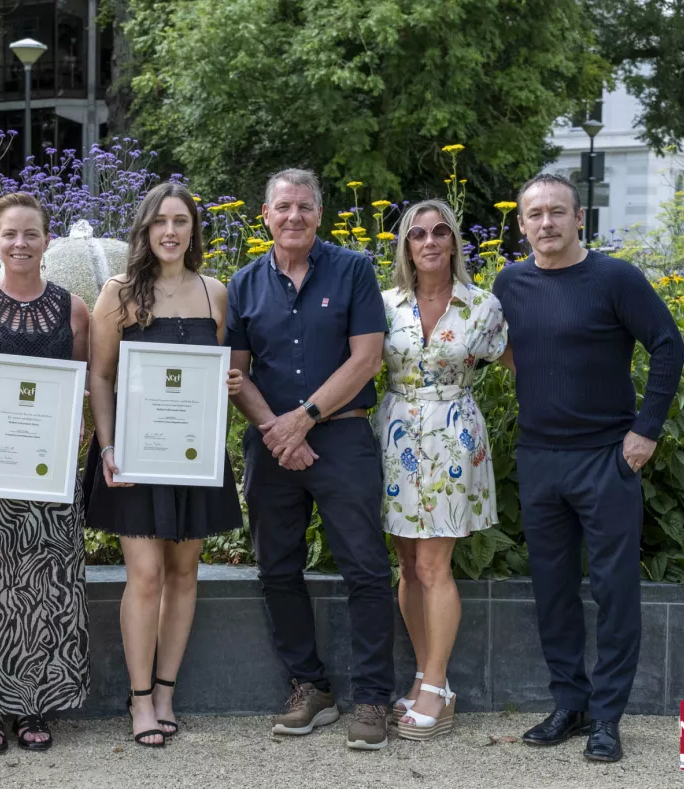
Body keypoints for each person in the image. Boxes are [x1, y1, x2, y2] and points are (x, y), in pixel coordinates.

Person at [493, 173, 684, 763]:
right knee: (552, 591)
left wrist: (645, 431)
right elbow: (503, 347)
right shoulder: (510, 282)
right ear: (521, 225)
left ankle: (607, 717)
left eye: (557, 212)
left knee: (614, 590)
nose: (545, 223)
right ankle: (569, 705)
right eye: (534, 215)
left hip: (607, 458)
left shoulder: (615, 278)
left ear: (580, 219)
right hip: (540, 458)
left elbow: (668, 344)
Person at [226, 168, 394, 749]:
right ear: (266, 216)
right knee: (277, 570)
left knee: (366, 569)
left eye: (304, 206)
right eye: (282, 207)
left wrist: (305, 419)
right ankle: (310, 687)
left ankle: (373, 699)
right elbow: (236, 373)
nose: (293, 216)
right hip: (271, 443)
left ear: (318, 215)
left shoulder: (353, 270)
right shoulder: (244, 283)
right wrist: (277, 430)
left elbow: (367, 357)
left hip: (342, 437)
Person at [85, 182, 244, 748]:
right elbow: (100, 377)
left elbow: (217, 379)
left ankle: (168, 690)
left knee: (184, 573)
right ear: (145, 230)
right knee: (145, 575)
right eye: (160, 222)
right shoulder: (119, 292)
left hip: (191, 454)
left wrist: (229, 383)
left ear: (194, 230)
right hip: (134, 452)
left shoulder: (215, 294)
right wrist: (107, 447)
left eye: (181, 221)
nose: (171, 231)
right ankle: (139, 699)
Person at [0, 192, 91, 754]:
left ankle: (36, 704)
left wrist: (76, 430)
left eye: (31, 234)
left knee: (47, 587)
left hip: (47, 476)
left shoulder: (74, 309)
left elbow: (78, 385)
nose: (20, 243)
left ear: (48, 240)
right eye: (10, 234)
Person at [374, 199, 507, 741]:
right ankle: (432, 680)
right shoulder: (384, 304)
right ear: (406, 245)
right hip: (396, 435)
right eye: (417, 234)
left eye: (440, 232)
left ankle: (434, 686)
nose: (429, 241)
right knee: (406, 563)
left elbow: (523, 361)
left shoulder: (483, 305)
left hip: (453, 434)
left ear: (454, 241)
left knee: (434, 564)